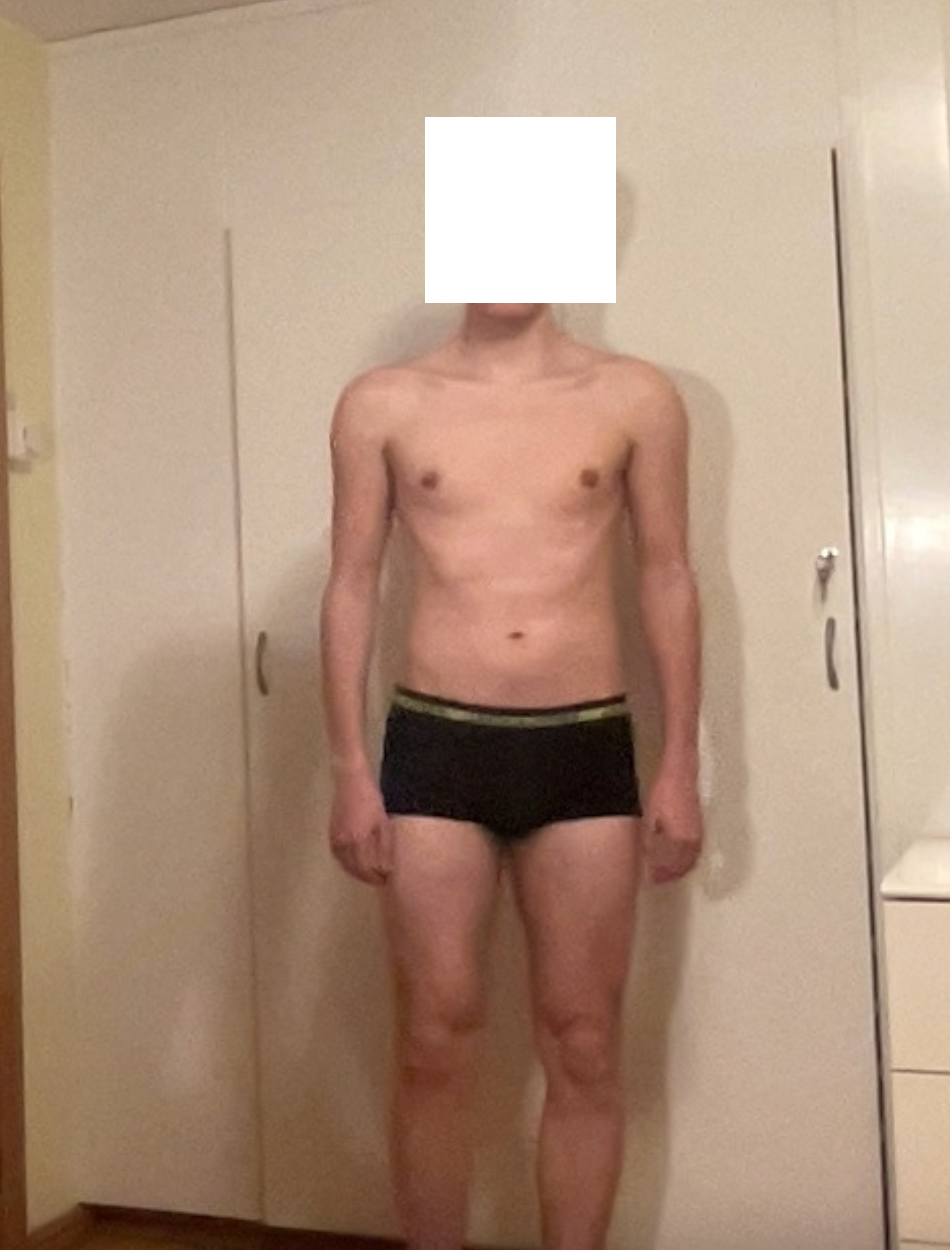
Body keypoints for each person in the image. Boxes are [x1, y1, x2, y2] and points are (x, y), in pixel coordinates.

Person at [319, 302, 702, 1250]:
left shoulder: (636, 397)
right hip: (436, 744)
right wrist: (349, 767)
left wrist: (681, 761)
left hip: (584, 744)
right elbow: (352, 580)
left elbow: (668, 575)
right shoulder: (383, 402)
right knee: (433, 1039)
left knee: (585, 1042)